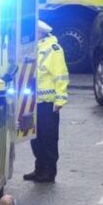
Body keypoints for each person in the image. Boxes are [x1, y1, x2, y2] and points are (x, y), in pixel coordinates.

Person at [24, 20, 69, 183]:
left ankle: (49, 172)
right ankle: (39, 169)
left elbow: (61, 75)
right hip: (33, 102)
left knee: (48, 139)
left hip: (48, 104)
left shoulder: (53, 49)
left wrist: (60, 99)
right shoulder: (32, 48)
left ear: (40, 33)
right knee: (35, 138)